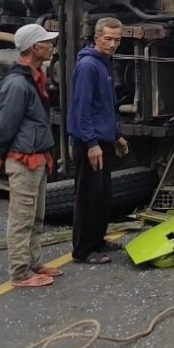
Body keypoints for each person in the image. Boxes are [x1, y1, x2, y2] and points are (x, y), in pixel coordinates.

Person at [0, 23, 64, 288]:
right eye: (47, 42)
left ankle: (33, 261)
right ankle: (20, 272)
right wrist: (0, 152)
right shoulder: (18, 84)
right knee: (22, 217)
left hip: (36, 155)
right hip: (24, 159)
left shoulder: (32, 77)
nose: (51, 46)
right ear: (35, 48)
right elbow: (5, 124)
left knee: (36, 215)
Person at [67, 17, 130, 265]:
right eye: (108, 39)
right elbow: (82, 109)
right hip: (88, 143)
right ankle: (83, 250)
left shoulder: (105, 63)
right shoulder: (89, 67)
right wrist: (92, 143)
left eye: (117, 40)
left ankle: (98, 239)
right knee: (87, 197)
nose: (113, 44)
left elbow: (105, 106)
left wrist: (116, 136)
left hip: (101, 140)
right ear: (96, 39)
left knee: (102, 196)